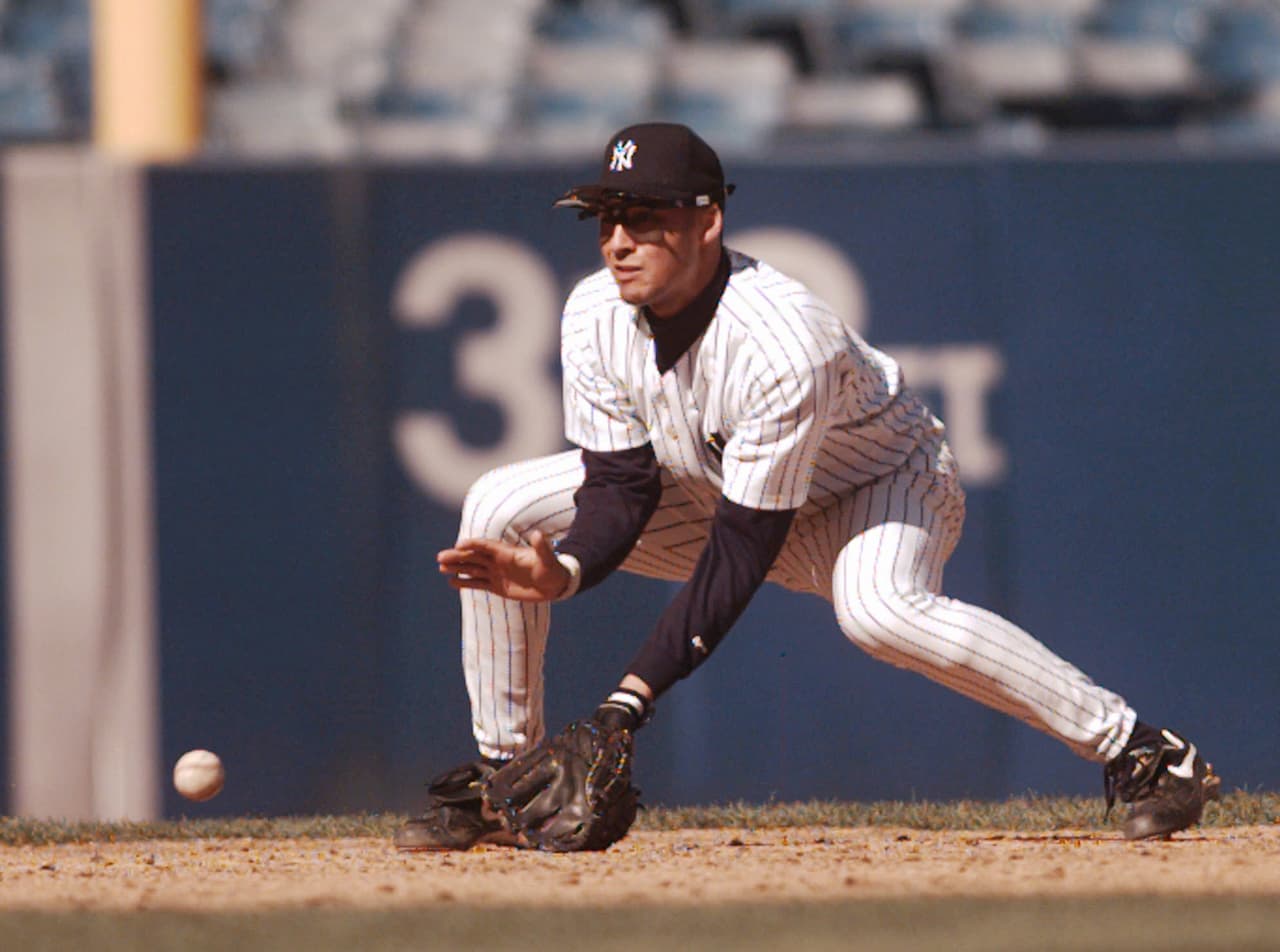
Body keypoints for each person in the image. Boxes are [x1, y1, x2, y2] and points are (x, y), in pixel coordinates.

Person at [394, 122, 1218, 850]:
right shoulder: (591, 313)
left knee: (880, 612)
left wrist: (625, 705)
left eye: (645, 216)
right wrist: (567, 571)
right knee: (499, 504)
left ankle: (1145, 752)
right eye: (606, 216)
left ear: (708, 221)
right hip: (711, 487)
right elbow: (621, 484)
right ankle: (507, 783)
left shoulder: (784, 340)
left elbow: (746, 547)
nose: (617, 240)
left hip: (875, 489)